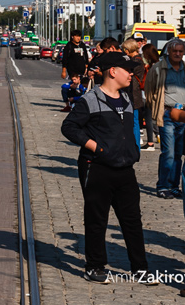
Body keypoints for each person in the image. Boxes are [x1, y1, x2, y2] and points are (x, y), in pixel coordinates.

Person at [61, 51, 155, 286]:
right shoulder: (90, 100)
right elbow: (69, 127)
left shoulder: (125, 98)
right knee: (96, 219)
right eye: (128, 71)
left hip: (125, 168)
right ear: (113, 72)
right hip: (97, 167)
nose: (132, 74)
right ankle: (94, 266)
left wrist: (133, 151)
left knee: (132, 221)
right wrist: (96, 148)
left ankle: (140, 269)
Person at [145, 38, 185, 198]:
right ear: (168, 51)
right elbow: (149, 92)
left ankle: (174, 186)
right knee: (168, 151)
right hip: (167, 114)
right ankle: (163, 186)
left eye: (181, 51)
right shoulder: (158, 69)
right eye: (175, 51)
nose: (177, 54)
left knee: (178, 153)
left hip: (183, 116)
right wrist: (158, 110)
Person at [123, 39, 147, 148]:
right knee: (134, 121)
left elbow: (133, 78)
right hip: (134, 93)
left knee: (135, 122)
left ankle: (136, 146)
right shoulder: (137, 59)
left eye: (125, 49)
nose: (125, 51)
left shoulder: (136, 61)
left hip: (134, 94)